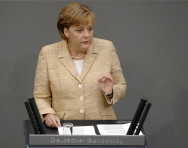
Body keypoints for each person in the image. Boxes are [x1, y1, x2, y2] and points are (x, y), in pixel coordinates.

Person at [34, 2, 127, 128]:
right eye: (79, 30)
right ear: (66, 31)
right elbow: (40, 96)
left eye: (90, 28)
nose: (87, 35)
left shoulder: (106, 48)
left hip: (102, 126)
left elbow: (121, 86)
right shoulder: (48, 53)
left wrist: (110, 92)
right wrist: (48, 114)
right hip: (64, 127)